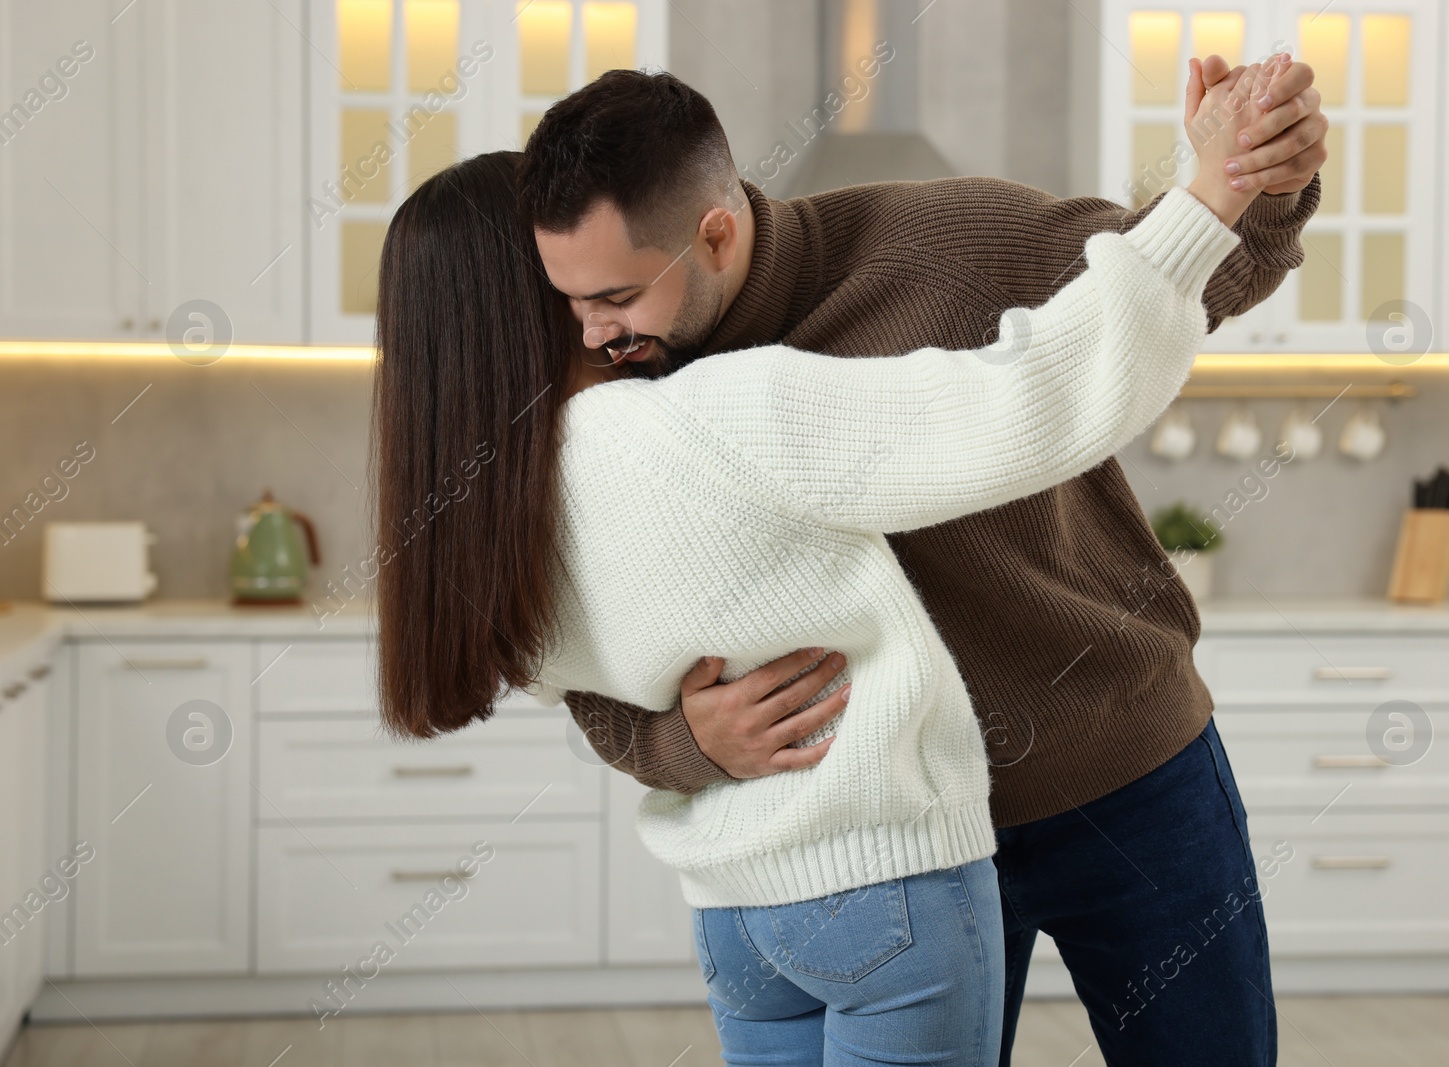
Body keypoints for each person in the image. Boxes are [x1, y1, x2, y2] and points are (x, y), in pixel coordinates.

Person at [368, 59, 1274, 1065]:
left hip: (1123, 768)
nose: (596, 329)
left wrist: (1250, 181)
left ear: (709, 236)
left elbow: (1154, 302)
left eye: (613, 293)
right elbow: (597, 675)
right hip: (914, 835)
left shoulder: (947, 240)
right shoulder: (646, 402)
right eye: (568, 299)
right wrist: (688, 742)